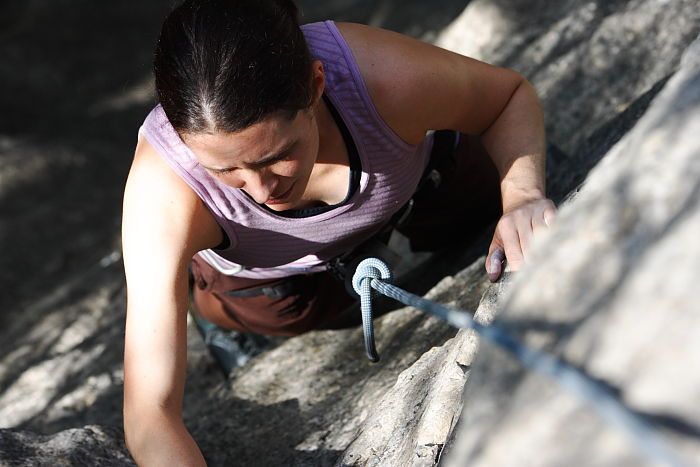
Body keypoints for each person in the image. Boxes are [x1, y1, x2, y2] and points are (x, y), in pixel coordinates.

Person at [121, 0, 557, 464]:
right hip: (277, 273)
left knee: (482, 191)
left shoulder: (379, 76)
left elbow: (506, 98)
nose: (263, 188)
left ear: (316, 84)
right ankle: (223, 312)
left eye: (276, 154)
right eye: (225, 168)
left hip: (413, 188)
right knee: (283, 312)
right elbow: (150, 414)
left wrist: (523, 197)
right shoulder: (162, 190)